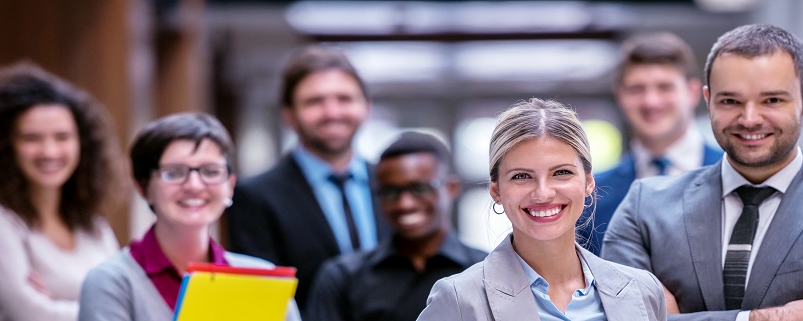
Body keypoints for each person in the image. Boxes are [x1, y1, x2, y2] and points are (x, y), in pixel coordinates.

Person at [602, 24, 803, 321]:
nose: (749, 119)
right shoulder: (645, 208)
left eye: (772, 100)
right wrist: (760, 318)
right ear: (709, 102)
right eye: (730, 101)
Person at [417, 98, 667, 321]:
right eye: (522, 176)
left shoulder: (643, 291)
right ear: (496, 191)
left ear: (589, 182)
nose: (543, 193)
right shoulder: (459, 300)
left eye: (561, 173)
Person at [77, 113, 300, 321]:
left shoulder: (263, 280)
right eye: (174, 173)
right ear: (143, 188)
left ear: (230, 186)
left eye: (211, 172)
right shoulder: (112, 283)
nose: (194, 186)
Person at [225, 45, 390, 316]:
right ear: (289, 114)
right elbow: (263, 304)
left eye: (344, 98)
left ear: (367, 107)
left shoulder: (393, 185)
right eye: (315, 101)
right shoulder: (254, 197)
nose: (332, 112)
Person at [0, 63, 124, 321]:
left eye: (62, 137)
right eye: (32, 138)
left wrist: (61, 306)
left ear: (83, 143)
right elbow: (32, 315)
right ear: (4, 145)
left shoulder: (93, 227)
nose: (50, 151)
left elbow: (124, 296)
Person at [307, 131, 487, 321]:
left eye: (420, 189)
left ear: (451, 188)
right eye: (391, 192)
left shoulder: (487, 273)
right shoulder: (342, 278)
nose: (405, 204)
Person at [580, 32, 723, 254]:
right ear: (620, 96)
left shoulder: (733, 174)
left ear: (693, 93)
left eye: (665, 87)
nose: (651, 101)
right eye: (637, 89)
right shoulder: (592, 197)